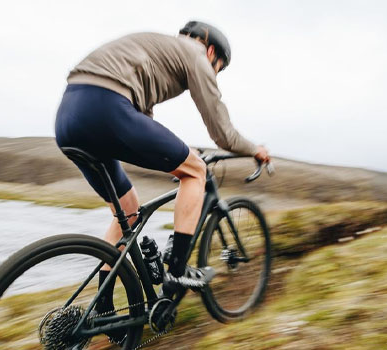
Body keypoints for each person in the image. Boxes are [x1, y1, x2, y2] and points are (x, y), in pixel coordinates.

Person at [54, 21, 270, 340]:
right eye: (218, 68)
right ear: (211, 51)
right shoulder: (196, 54)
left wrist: (177, 153)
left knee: (128, 211)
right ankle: (177, 272)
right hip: (107, 107)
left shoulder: (155, 48)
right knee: (195, 171)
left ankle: (103, 306)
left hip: (69, 116)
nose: (215, 73)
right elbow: (222, 133)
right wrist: (254, 149)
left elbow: (142, 120)